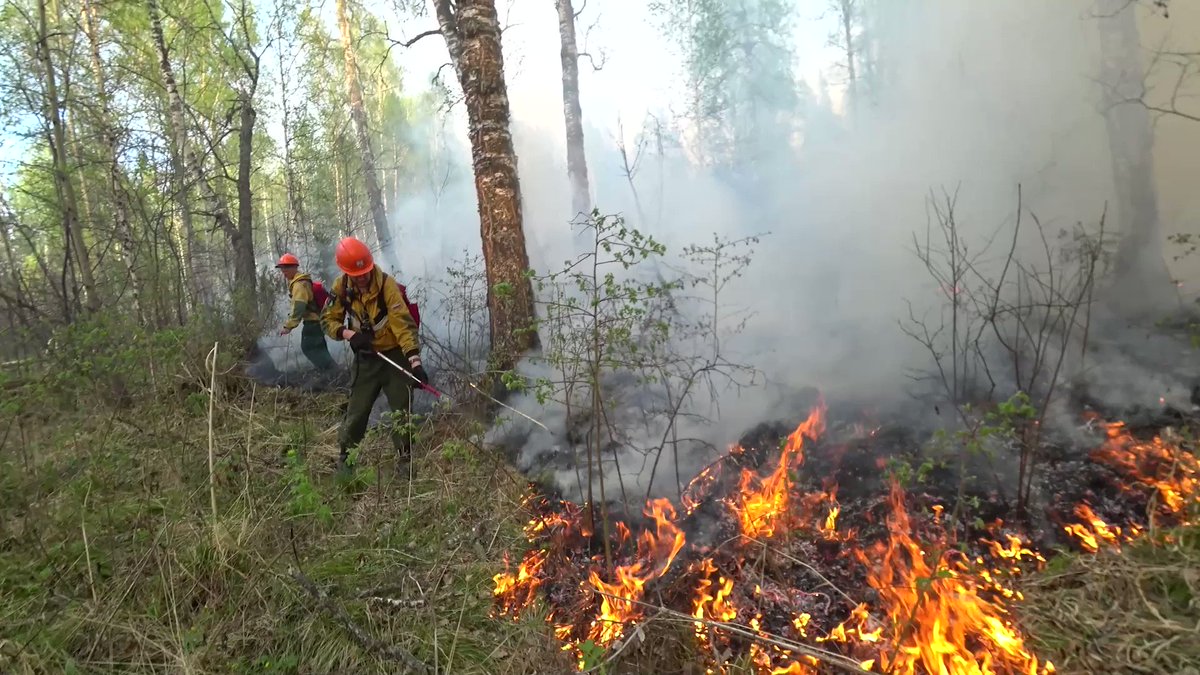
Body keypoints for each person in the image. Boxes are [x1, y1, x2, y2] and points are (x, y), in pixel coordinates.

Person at [322, 237, 429, 475]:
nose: (362, 277)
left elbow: (403, 325)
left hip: (395, 357)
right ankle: (346, 461)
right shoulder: (341, 287)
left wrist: (415, 362)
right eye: (356, 274)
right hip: (366, 360)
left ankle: (405, 462)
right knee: (357, 411)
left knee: (402, 410)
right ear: (346, 272)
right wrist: (349, 334)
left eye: (365, 272)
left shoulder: (386, 286)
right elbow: (328, 321)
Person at [275, 253, 335, 371]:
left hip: (313, 322)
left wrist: (289, 326)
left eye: (286, 268)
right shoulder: (301, 282)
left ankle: (331, 370)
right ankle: (332, 370)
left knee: (308, 347)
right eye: (282, 268)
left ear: (294, 267)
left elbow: (299, 306)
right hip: (317, 321)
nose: (283, 271)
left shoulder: (299, 284)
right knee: (319, 348)